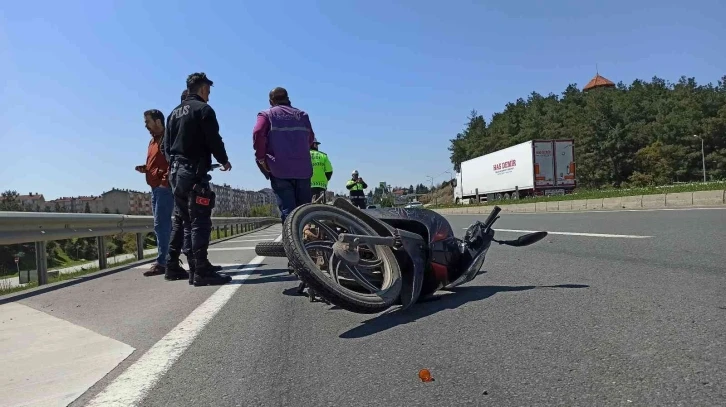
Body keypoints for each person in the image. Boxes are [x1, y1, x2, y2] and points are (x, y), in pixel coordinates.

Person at [163, 72, 233, 286]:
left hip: (176, 173)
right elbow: (214, 139)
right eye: (208, 92)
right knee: (200, 221)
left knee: (185, 222)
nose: (209, 96)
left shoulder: (173, 113)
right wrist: (224, 160)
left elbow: (166, 147)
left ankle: (195, 269)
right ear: (203, 89)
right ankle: (201, 270)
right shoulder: (203, 109)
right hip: (193, 173)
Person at [252, 87, 315, 222]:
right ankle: (306, 239)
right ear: (288, 98)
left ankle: (291, 241)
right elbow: (310, 139)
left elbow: (258, 134)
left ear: (271, 101)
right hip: (303, 170)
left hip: (279, 169)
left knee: (289, 212)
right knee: (304, 211)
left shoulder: (266, 115)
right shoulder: (302, 115)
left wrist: (262, 159)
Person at [136, 109, 173, 277]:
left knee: (161, 225)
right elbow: (157, 163)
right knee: (161, 226)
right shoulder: (152, 142)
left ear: (158, 121)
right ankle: (166, 259)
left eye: (147, 122)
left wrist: (165, 181)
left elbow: (173, 161)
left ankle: (163, 262)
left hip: (164, 188)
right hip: (154, 188)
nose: (145, 126)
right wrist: (146, 169)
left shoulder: (169, 138)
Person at [310, 138, 333, 203]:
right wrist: (325, 179)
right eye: (316, 144)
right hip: (321, 186)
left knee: (308, 208)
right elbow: (329, 171)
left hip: (307, 185)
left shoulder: (304, 155)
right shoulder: (323, 156)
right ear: (313, 144)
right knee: (321, 208)